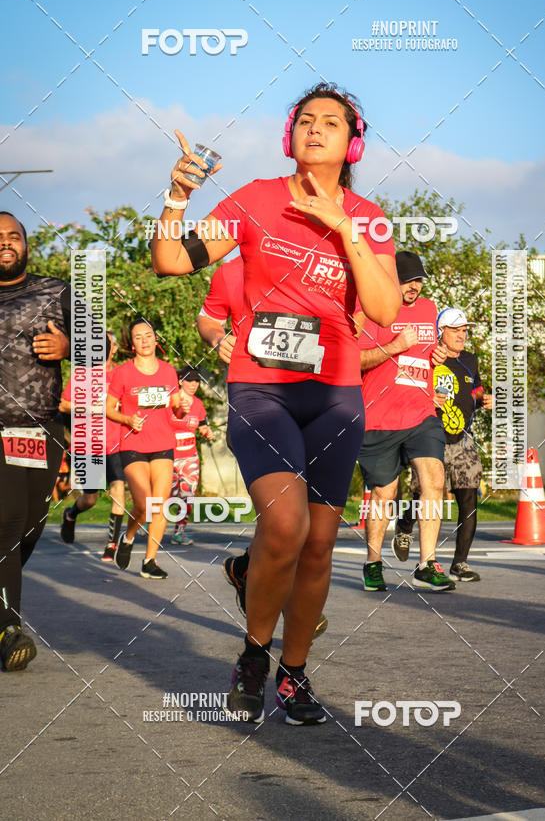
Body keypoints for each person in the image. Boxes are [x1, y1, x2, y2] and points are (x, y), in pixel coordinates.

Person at [152, 82, 401, 725]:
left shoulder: (369, 216)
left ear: (354, 144)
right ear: (289, 133)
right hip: (262, 388)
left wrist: (342, 227)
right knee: (285, 525)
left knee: (318, 545)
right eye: (306, 120)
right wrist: (177, 197)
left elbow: (383, 309)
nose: (317, 129)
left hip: (337, 395)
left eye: (332, 123)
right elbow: (172, 260)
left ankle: (295, 674)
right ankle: (253, 656)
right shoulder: (256, 200)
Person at [197, 260, 328, 639]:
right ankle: (286, 611)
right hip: (259, 405)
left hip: (316, 403)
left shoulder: (321, 267)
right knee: (286, 517)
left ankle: (246, 570)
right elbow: (208, 318)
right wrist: (217, 338)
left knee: (294, 519)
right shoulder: (233, 271)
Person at [357, 250, 455, 593]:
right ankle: (372, 562)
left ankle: (426, 564)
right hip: (379, 418)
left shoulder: (429, 310)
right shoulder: (371, 309)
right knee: (385, 493)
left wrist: (438, 354)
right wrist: (396, 346)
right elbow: (355, 360)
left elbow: (428, 353)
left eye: (418, 280)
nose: (413, 286)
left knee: (435, 479)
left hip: (421, 414)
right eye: (406, 279)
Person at [0, 211, 71, 670]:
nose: (6, 242)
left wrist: (70, 347)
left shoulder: (59, 290)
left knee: (29, 525)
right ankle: (9, 628)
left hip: (41, 428)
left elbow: (103, 342)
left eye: (13, 236)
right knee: (7, 520)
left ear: (26, 244)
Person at [394, 308, 492, 582]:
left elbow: (476, 390)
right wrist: (427, 400)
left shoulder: (471, 360)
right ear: (441, 332)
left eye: (464, 330)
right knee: (423, 494)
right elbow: (408, 388)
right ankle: (404, 525)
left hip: (464, 439)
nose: (462, 335)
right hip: (431, 435)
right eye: (456, 330)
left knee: (469, 497)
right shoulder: (430, 356)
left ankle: (459, 564)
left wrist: (484, 399)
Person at [105, 318, 184, 580]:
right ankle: (127, 538)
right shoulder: (123, 372)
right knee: (143, 504)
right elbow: (108, 408)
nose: (145, 340)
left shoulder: (168, 371)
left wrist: (180, 406)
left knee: (159, 506)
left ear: (155, 339)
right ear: (132, 343)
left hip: (163, 444)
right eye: (139, 337)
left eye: (148, 335)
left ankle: (150, 561)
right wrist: (127, 419)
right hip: (133, 444)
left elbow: (175, 406)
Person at [59, 332, 127, 561]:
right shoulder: (84, 374)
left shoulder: (122, 373)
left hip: (116, 443)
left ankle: (112, 545)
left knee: (118, 487)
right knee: (90, 499)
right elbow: (64, 404)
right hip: (88, 443)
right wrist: (90, 408)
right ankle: (71, 514)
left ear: (114, 349)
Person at [168, 364, 213, 545]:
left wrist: (206, 431)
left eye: (196, 381)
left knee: (187, 495)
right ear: (180, 381)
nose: (193, 385)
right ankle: (148, 519)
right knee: (167, 493)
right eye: (189, 381)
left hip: (190, 457)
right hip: (169, 455)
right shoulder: (171, 400)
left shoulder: (199, 404)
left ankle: (179, 532)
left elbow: (202, 424)